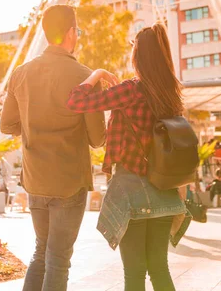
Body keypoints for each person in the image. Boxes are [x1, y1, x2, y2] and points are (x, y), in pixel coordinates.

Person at [66, 23, 188, 291]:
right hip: (164, 190)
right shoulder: (172, 94)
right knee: (159, 268)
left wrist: (96, 74)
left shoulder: (131, 90)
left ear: (138, 56)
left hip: (131, 190)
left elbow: (76, 102)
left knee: (134, 273)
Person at [0, 5, 106, 291]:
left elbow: (7, 125)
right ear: (71, 33)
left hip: (35, 180)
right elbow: (98, 139)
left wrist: (35, 124)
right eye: (78, 32)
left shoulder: (20, 74)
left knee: (41, 252)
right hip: (69, 181)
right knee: (58, 259)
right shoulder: (85, 77)